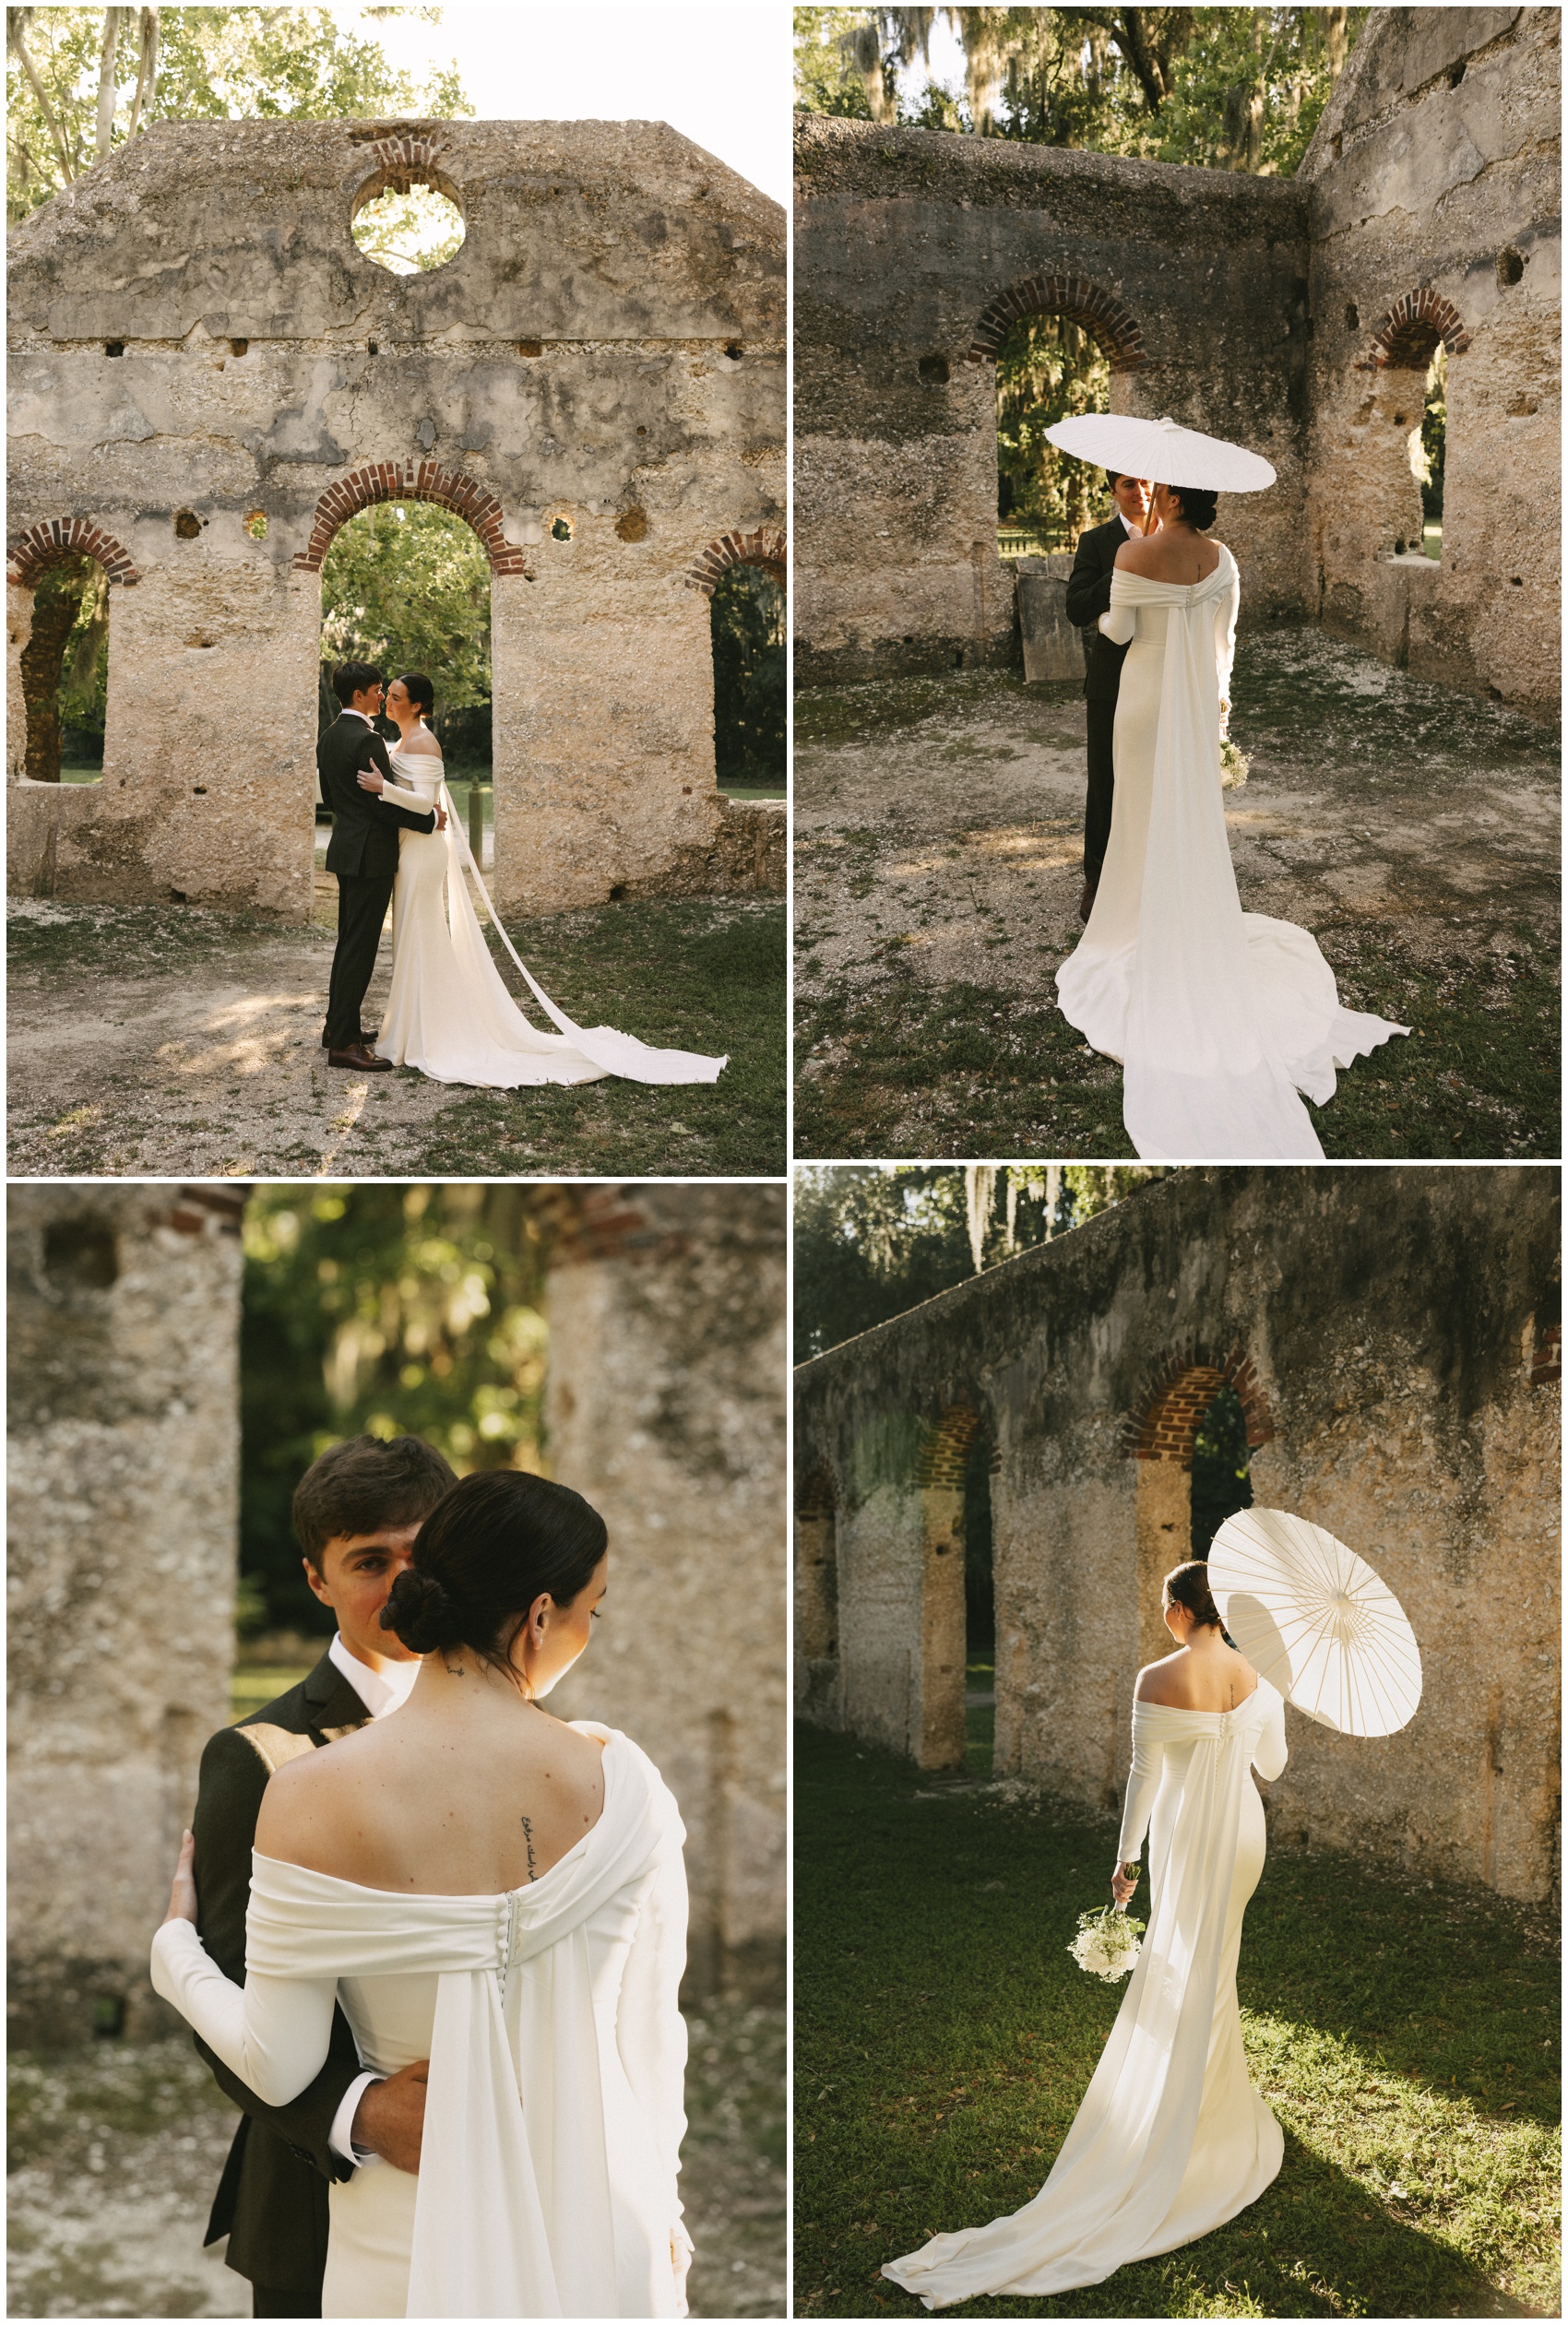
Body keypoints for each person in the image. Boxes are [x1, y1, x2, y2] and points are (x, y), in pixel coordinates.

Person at [155, 1466, 693, 2320]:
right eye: (595, 1608)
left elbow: (275, 2054)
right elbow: (652, 2040)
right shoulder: (625, 1783)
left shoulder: (304, 1796)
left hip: (406, 2247)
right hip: (594, 2217)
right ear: (542, 1616)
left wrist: (172, 1955)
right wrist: (662, 2209)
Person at [883, 1562, 1288, 2310]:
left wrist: (1125, 1858)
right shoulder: (1258, 1671)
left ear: (1176, 1612)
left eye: (1163, 1603)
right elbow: (1274, 1764)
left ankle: (1190, 2111)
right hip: (1242, 1839)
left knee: (1186, 1963)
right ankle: (1212, 2107)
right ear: (1219, 1612)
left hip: (1188, 1840)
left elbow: (1144, 1776)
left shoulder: (1157, 1678)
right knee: (1215, 1963)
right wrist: (1265, 1704)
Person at [1055, 479, 1408, 1159]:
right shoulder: (1224, 561)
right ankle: (1184, 913)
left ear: (1175, 499)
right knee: (1188, 819)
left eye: (1160, 492)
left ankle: (1129, 922)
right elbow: (1223, 646)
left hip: (1141, 701)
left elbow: (1117, 630)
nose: (1148, 496)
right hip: (1190, 705)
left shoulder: (1130, 561)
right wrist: (1219, 712)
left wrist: (1123, 612)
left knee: (1136, 817)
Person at [186, 1433, 456, 2318]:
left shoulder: (534, 1735)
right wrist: (366, 2114)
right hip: (320, 2203)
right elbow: (226, 1992)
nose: (403, 1584)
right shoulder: (258, 1758)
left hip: (494, 2196)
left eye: (423, 1553)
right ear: (317, 1579)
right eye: (371, 1561)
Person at [353, 671, 728, 1088]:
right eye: (388, 695)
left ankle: (426, 1034)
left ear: (417, 705)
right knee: (410, 933)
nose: (388, 701)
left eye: (397, 697)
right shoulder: (402, 741)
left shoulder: (424, 742)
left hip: (423, 854)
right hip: (410, 849)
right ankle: (409, 1028)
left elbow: (425, 803)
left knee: (421, 932)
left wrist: (383, 788)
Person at [316, 664, 448, 1074]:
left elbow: (328, 796)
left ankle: (338, 1027)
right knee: (359, 948)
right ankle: (344, 1045)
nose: (381, 698)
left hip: (345, 851)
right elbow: (382, 807)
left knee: (349, 943)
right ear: (359, 696)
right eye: (377, 690)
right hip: (371, 857)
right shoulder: (368, 741)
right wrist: (430, 820)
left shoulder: (330, 736)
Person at [1063, 471, 1155, 922]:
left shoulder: (1177, 540)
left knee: (1157, 778)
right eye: (1128, 485)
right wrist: (1120, 565)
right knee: (1106, 779)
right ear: (1113, 492)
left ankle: (1152, 874)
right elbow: (1076, 608)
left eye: (1147, 483)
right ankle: (1097, 878)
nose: (1141, 492)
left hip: (1162, 675)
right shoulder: (1096, 541)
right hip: (1111, 680)